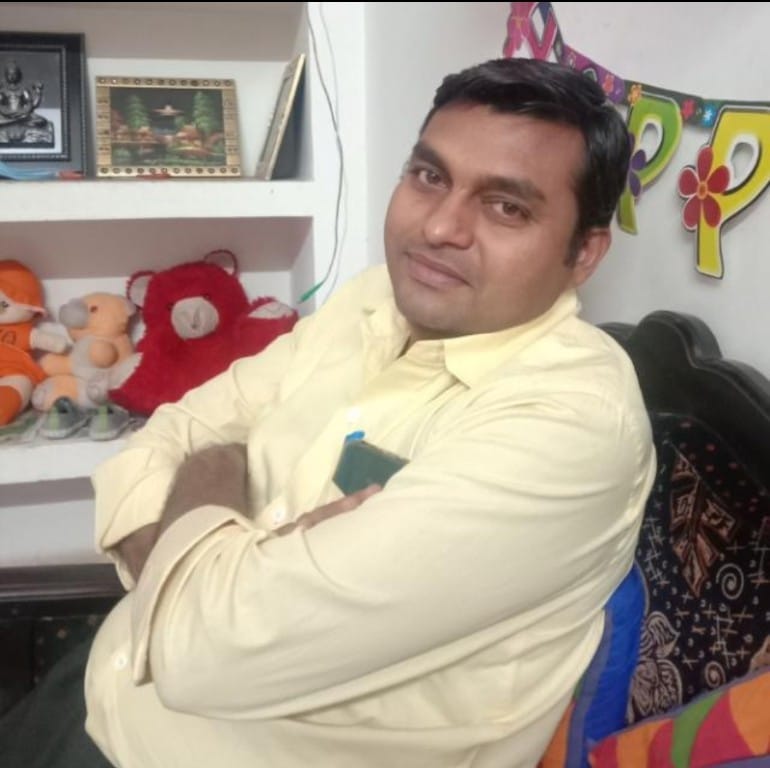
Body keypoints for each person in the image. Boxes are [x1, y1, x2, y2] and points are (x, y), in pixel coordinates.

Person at [6, 56, 656, 767]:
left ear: (584, 253)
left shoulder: (567, 423)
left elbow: (200, 657)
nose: (440, 227)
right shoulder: (373, 299)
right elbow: (166, 438)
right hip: (103, 678)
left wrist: (209, 499)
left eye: (507, 207)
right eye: (429, 176)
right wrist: (235, 542)